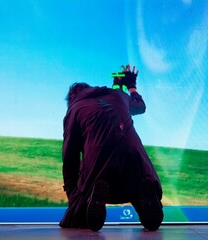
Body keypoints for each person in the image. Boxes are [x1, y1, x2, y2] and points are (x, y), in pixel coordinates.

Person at [59, 65, 163, 231]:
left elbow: (70, 157)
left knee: (84, 204)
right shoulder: (117, 95)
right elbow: (140, 106)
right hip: (135, 161)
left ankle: (93, 196)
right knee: (139, 182)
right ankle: (145, 198)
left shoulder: (75, 109)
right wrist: (131, 86)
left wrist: (74, 198)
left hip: (100, 167)